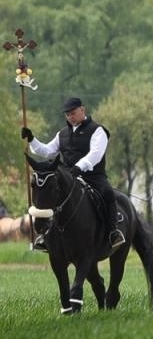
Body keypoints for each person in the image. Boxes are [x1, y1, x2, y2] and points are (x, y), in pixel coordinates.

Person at [23, 96, 121, 249]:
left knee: (108, 193)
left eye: (73, 113)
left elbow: (96, 154)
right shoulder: (62, 133)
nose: (70, 117)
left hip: (93, 176)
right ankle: (44, 235)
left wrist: (79, 167)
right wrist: (32, 140)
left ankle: (113, 232)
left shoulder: (97, 130)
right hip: (67, 177)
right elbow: (48, 151)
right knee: (48, 194)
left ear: (83, 110)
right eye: (67, 114)